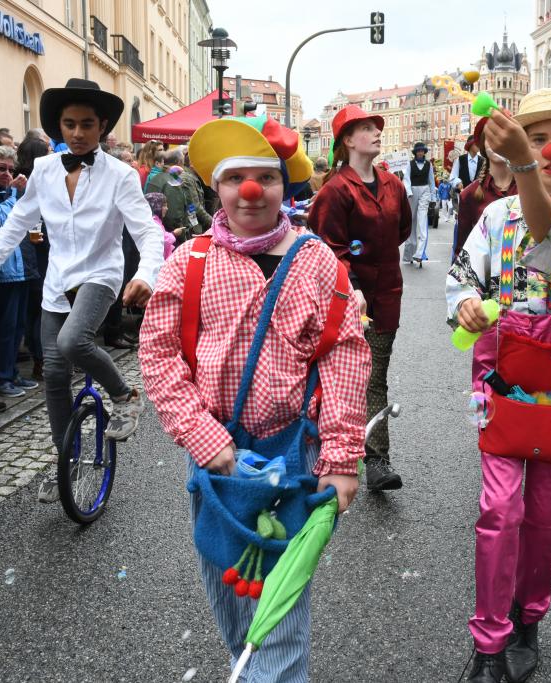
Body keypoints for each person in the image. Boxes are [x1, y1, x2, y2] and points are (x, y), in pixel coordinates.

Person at [139, 114, 369, 681]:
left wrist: (341, 460)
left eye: (264, 177)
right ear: (215, 188)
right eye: (235, 177)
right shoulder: (189, 261)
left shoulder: (317, 262)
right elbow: (158, 353)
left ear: (283, 185)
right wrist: (202, 437)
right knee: (233, 606)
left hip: (292, 453)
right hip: (217, 463)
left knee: (279, 619)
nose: (250, 191)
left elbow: (343, 354)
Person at [447, 89, 551, 683]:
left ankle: (528, 618)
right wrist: (466, 301)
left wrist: (519, 164)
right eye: (539, 137)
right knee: (499, 508)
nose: (549, 149)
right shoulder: (494, 216)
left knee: (545, 514)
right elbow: (462, 275)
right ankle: (489, 641)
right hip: (502, 373)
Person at [0, 78, 163, 502]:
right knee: (54, 374)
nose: (77, 133)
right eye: (69, 124)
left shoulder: (121, 175)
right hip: (57, 279)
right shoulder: (44, 170)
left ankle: (125, 395)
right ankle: (68, 463)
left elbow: (147, 232)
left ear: (102, 127)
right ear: (59, 127)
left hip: (100, 275)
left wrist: (146, 273)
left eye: (86, 124)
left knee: (74, 341)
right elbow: (19, 221)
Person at [308, 104, 412, 492]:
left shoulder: (394, 185)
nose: (376, 133)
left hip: (386, 295)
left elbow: (402, 229)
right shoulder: (335, 191)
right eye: (366, 128)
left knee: (375, 377)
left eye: (376, 127)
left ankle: (376, 459)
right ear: (347, 141)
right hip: (343, 300)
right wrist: (351, 285)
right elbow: (325, 247)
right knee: (338, 377)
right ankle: (325, 449)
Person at [0, 145, 40, 398]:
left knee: (17, 326)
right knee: (2, 327)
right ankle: (0, 377)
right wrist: (15, 193)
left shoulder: (7, 191)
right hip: (3, 271)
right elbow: (2, 219)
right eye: (1, 168)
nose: (7, 173)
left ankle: (12, 372)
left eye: (10, 169)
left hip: (23, 267)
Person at [15, 137, 54, 379]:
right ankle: (42, 359)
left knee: (32, 309)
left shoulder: (18, 179)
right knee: (42, 307)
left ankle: (37, 354)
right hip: (40, 250)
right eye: (48, 149)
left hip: (29, 253)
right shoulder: (37, 181)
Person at [454, 117, 518, 259]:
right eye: (491, 139)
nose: (498, 145)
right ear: (484, 146)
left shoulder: (528, 189)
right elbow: (462, 250)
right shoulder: (469, 194)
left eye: (504, 139)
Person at [402, 141, 436, 264]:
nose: (420, 152)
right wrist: (409, 191)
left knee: (422, 221)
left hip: (425, 191)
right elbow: (406, 179)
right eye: (418, 151)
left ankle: (419, 253)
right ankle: (409, 253)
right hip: (413, 192)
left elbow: (431, 181)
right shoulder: (410, 164)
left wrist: (433, 198)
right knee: (411, 221)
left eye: (422, 150)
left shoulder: (429, 165)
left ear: (424, 152)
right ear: (415, 153)